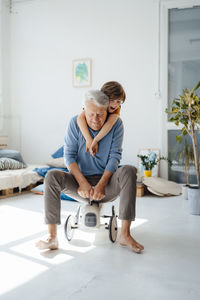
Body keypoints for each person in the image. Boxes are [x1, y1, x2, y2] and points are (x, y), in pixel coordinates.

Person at [36, 89, 144, 253]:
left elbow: (115, 157)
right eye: (91, 114)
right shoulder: (74, 123)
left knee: (129, 170)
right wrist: (82, 182)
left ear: (107, 111)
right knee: (51, 176)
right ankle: (52, 237)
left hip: (107, 184)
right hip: (80, 184)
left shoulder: (116, 125)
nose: (95, 119)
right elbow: (69, 157)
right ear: (84, 110)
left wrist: (101, 184)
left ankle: (125, 234)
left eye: (100, 115)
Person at [77, 81, 125, 157]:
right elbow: (80, 118)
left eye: (118, 101)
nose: (115, 105)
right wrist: (89, 140)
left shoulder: (117, 109)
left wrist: (95, 140)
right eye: (112, 100)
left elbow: (109, 124)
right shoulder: (94, 104)